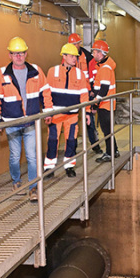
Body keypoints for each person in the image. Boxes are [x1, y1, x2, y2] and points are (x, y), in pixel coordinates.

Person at [0, 36, 48, 202]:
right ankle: (16, 181)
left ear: (26, 53)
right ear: (10, 55)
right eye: (15, 54)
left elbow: (46, 92)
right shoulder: (2, 74)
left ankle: (33, 187)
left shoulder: (36, 71)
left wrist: (48, 112)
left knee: (32, 156)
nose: (18, 56)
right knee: (15, 156)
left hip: (30, 121)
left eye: (21, 53)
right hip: (12, 123)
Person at [43, 43, 90, 178]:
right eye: (71, 56)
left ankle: (69, 166)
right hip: (55, 115)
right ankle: (49, 167)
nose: (74, 59)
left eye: (76, 56)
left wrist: (87, 112)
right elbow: (47, 93)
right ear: (64, 56)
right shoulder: (53, 71)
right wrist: (48, 112)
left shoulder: (80, 74)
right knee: (52, 140)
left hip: (72, 115)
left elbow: (84, 95)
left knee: (71, 140)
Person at [68, 32, 103, 155]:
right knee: (72, 121)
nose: (74, 46)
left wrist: (93, 93)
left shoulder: (88, 57)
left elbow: (93, 76)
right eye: (72, 44)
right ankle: (73, 147)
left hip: (86, 92)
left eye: (75, 44)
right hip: (72, 93)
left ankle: (95, 145)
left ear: (79, 44)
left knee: (90, 122)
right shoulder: (66, 56)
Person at [91, 40, 120, 162]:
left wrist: (95, 103)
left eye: (94, 51)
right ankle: (114, 150)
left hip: (105, 104)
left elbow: (104, 89)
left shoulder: (105, 68)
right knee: (108, 130)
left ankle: (110, 153)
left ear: (100, 53)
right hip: (106, 104)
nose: (93, 54)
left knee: (107, 130)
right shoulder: (104, 66)